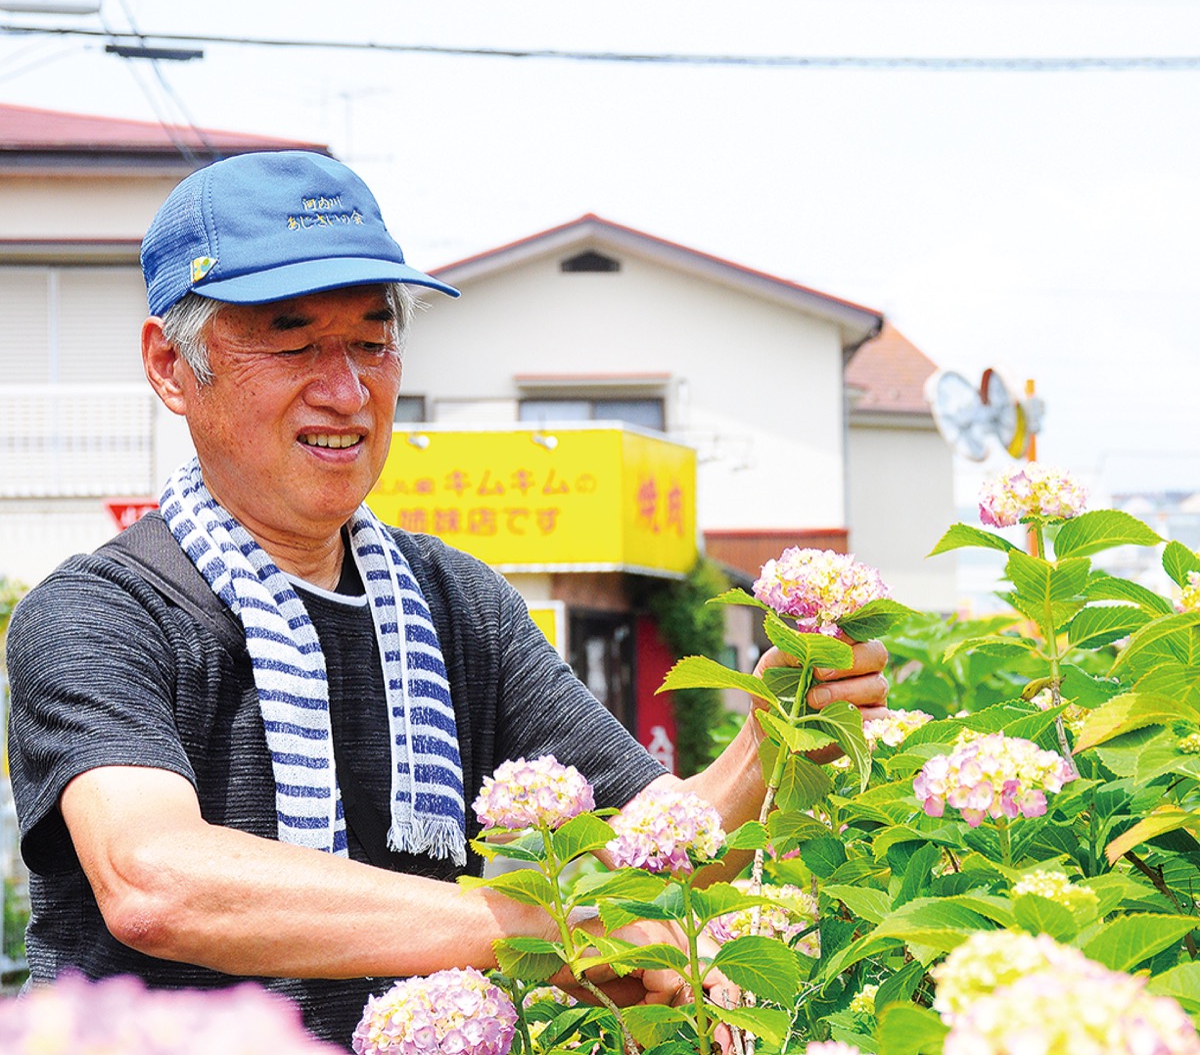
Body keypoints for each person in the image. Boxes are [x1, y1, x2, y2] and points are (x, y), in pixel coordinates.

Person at [5, 151, 888, 1048]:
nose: (346, 391)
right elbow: (157, 881)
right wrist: (538, 926)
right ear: (170, 365)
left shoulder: (454, 604)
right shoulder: (101, 614)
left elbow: (664, 856)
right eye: (294, 338)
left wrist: (777, 733)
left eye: (372, 340)